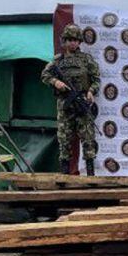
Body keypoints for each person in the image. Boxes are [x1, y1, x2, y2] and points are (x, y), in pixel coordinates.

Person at [41, 24, 100, 175]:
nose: (73, 43)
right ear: (65, 41)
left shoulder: (86, 60)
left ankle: (90, 174)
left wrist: (91, 91)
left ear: (79, 42)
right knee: (64, 138)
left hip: (81, 102)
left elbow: (96, 79)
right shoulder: (58, 60)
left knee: (88, 138)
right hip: (65, 104)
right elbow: (45, 75)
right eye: (70, 40)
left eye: (76, 40)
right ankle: (65, 173)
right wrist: (56, 82)